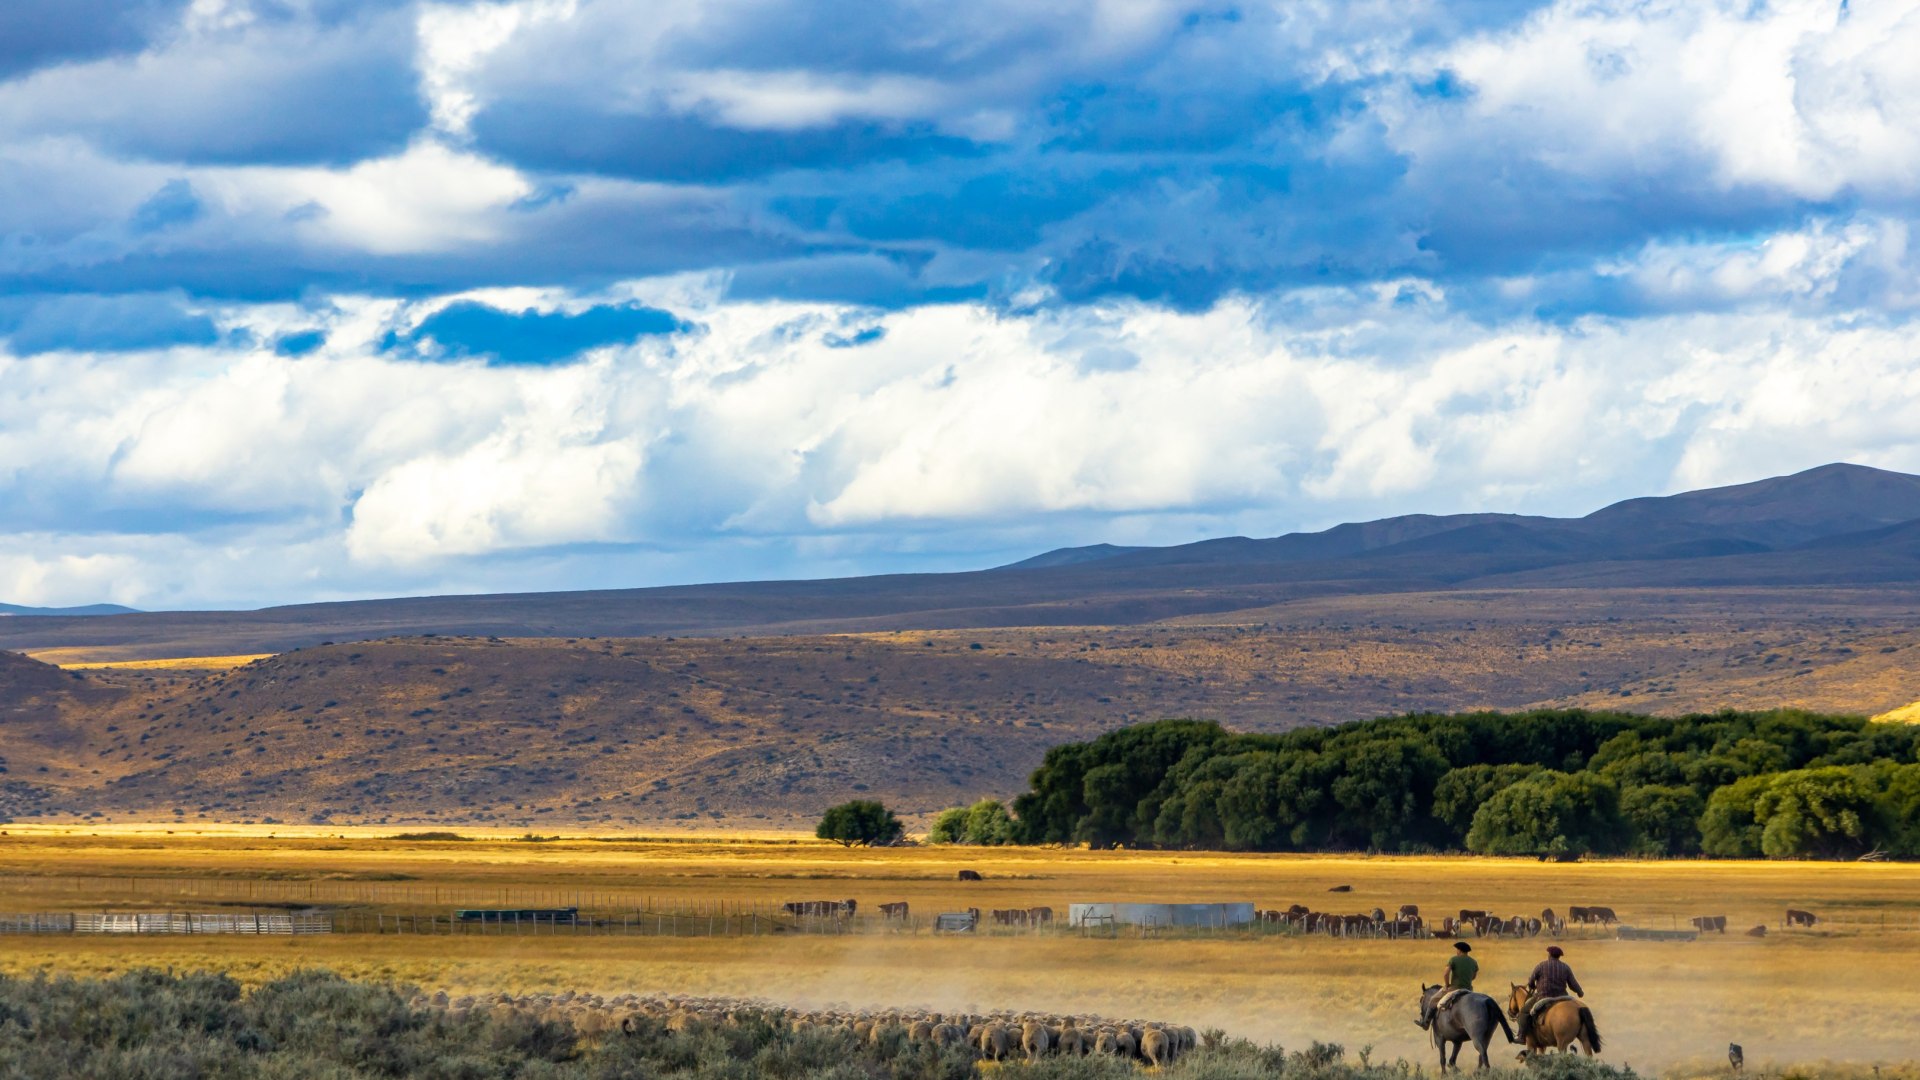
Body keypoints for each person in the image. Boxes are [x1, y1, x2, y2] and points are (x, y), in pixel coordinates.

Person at [1521, 945, 1584, 1035]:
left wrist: (1532, 986)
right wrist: (1580, 992)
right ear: (1559, 956)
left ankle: (1522, 1035)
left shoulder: (1541, 966)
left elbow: (1531, 981)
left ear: (1549, 955)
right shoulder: (1565, 967)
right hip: (1563, 997)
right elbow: (1573, 984)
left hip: (1544, 997)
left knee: (1524, 1012)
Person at [1416, 941, 1478, 1029]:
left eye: (1457, 950)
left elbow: (1446, 974)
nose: (1456, 951)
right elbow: (1473, 977)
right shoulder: (1474, 962)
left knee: (1433, 1000)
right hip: (1469, 990)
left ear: (1460, 950)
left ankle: (1425, 1023)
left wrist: (1447, 985)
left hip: (1454, 988)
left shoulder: (1454, 959)